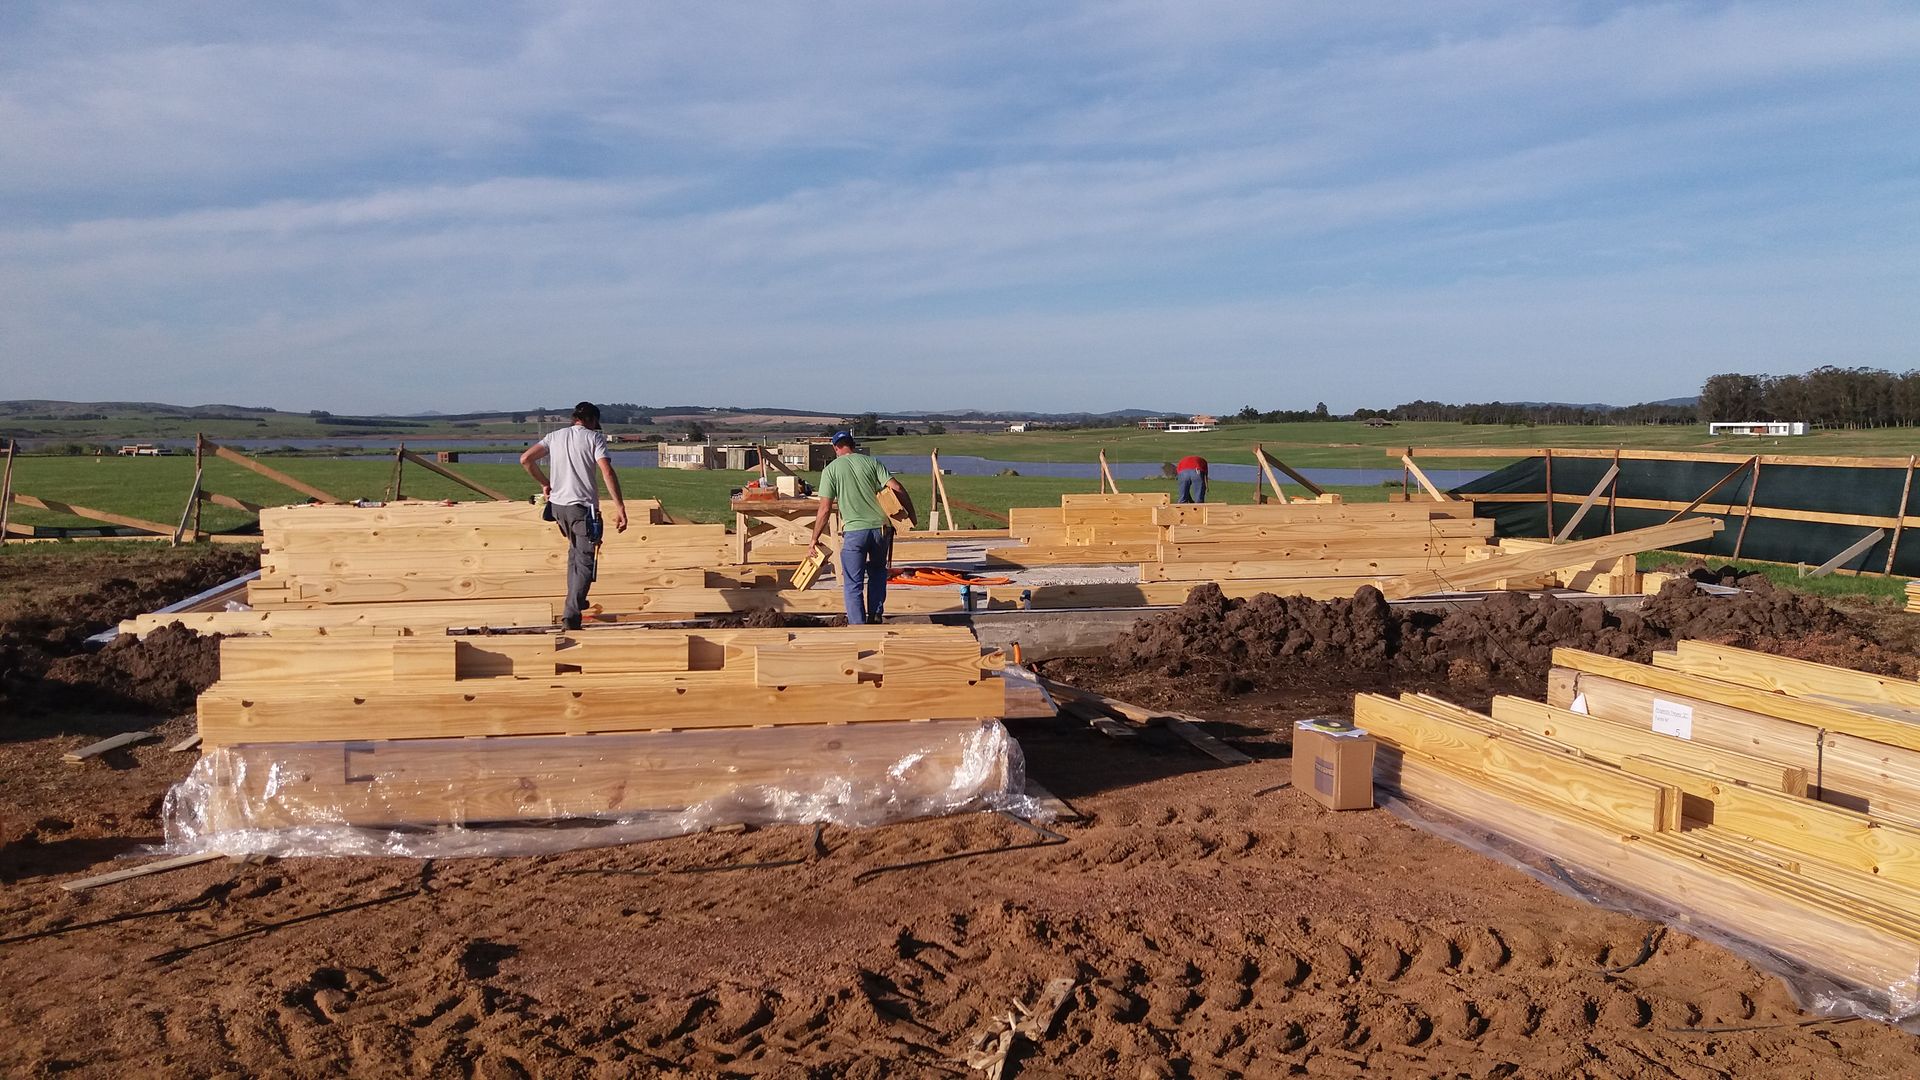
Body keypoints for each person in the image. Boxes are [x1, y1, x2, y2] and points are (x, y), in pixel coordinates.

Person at [520, 401, 628, 630]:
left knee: (574, 555)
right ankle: (572, 612)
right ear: (590, 420)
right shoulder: (594, 438)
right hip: (583, 508)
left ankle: (576, 599)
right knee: (586, 561)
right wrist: (619, 506)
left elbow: (526, 459)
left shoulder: (554, 436)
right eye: (596, 422)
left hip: (558, 507)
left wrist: (545, 484)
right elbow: (606, 470)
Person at [808, 431, 914, 624]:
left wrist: (814, 539)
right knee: (877, 573)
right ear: (853, 445)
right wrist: (910, 515)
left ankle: (858, 626)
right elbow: (897, 488)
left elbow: (824, 509)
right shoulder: (872, 462)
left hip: (855, 532)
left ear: (835, 448)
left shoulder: (831, 470)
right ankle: (875, 615)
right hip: (881, 529)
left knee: (852, 583)